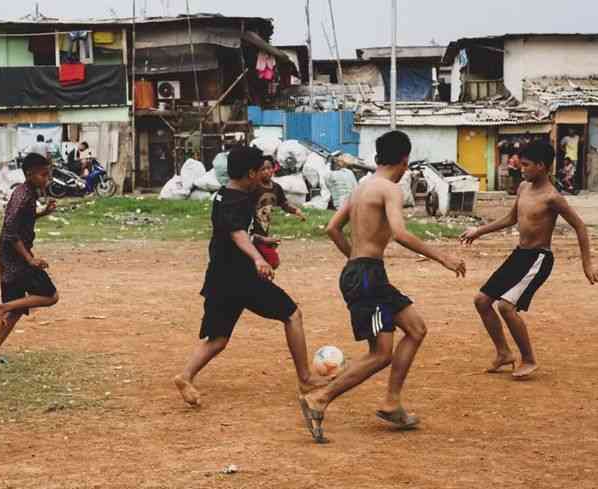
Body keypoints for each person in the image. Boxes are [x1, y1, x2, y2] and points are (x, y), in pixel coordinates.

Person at [298, 131, 466, 443]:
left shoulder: (362, 187)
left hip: (365, 272)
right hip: (367, 276)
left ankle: (391, 403)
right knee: (380, 353)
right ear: (404, 159)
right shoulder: (390, 189)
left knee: (415, 329)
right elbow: (400, 234)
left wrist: (354, 258)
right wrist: (442, 257)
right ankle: (319, 399)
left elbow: (333, 228)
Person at [174, 146, 326, 407]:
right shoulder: (236, 200)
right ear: (250, 173)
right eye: (260, 171)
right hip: (241, 277)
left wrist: (262, 240)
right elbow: (237, 233)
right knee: (292, 315)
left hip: (220, 278)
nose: (264, 177)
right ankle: (305, 379)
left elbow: (239, 231)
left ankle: (185, 376)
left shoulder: (225, 195)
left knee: (218, 339)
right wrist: (257, 258)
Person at [461, 141, 597, 379]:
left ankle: (529, 359)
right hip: (519, 255)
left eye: (525, 165)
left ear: (541, 166)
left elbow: (579, 227)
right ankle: (503, 354)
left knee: (505, 306)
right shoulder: (524, 187)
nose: (520, 168)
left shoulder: (552, 197)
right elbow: (510, 218)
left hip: (539, 258)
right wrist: (478, 231)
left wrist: (587, 263)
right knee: (482, 301)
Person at [0, 153, 59, 364]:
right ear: (30, 174)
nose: (47, 179)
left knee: (16, 308)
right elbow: (10, 231)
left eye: (48, 174)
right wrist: (29, 259)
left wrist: (43, 213)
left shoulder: (27, 192)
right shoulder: (23, 195)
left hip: (12, 254)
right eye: (43, 175)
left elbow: (20, 220)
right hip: (15, 257)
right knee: (51, 296)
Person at [250, 155, 306, 269]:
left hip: (263, 231)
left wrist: (296, 210)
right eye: (263, 169)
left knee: (270, 262)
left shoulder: (276, 188)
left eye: (269, 168)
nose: (267, 171)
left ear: (274, 168)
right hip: (251, 233)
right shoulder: (253, 188)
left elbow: (284, 204)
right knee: (271, 261)